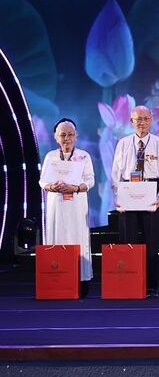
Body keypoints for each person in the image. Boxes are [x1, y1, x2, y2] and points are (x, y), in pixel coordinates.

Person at [111, 105, 159, 297]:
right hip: (128, 193)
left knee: (151, 243)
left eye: (146, 119)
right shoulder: (123, 143)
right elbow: (116, 175)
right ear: (131, 121)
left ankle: (150, 285)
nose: (142, 123)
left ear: (151, 120)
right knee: (128, 241)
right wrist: (118, 198)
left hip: (151, 194)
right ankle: (129, 282)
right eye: (138, 119)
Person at [39, 118, 95, 297]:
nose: (67, 139)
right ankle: (56, 280)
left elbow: (91, 180)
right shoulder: (51, 157)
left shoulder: (84, 156)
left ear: (76, 136)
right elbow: (42, 181)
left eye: (70, 134)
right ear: (56, 137)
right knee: (57, 238)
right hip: (56, 203)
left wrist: (76, 188)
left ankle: (81, 281)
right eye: (63, 135)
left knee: (79, 238)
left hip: (77, 204)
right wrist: (50, 186)